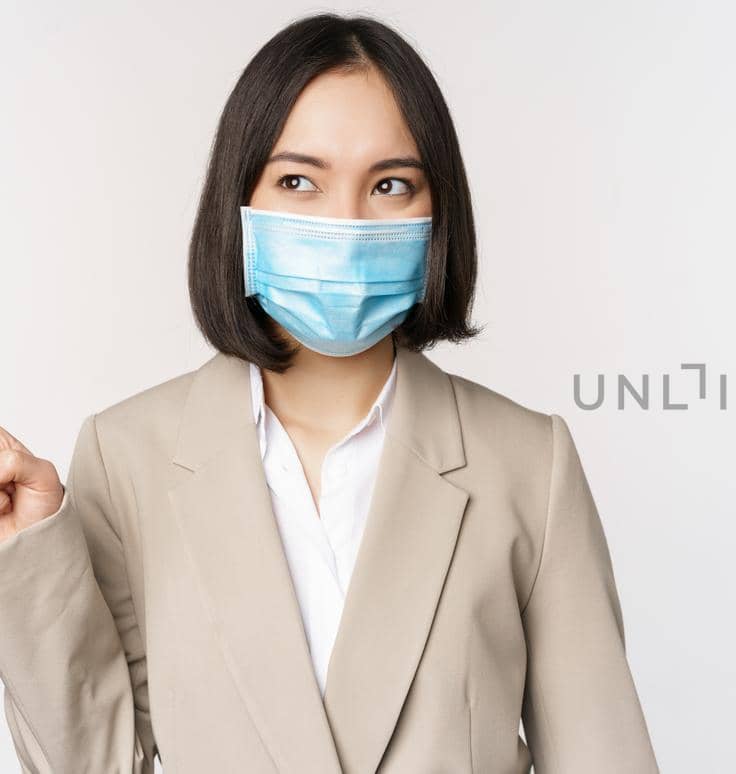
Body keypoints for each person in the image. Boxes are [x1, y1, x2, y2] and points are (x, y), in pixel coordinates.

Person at [0, 13, 659, 773]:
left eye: (389, 184)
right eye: (299, 181)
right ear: (238, 205)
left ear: (436, 213)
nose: (345, 224)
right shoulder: (126, 457)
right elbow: (94, 763)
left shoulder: (527, 463)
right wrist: (28, 556)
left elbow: (603, 757)